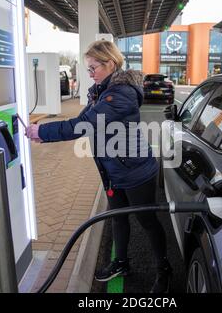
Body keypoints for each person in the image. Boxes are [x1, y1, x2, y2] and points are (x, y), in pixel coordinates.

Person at [25, 40, 172, 293]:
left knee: (147, 222)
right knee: (118, 219)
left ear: (111, 64)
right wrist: (44, 134)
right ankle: (121, 263)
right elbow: (81, 119)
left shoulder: (120, 95)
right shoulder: (100, 91)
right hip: (113, 170)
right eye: (88, 69)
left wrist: (44, 130)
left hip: (137, 172)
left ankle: (164, 271)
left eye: (93, 68)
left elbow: (83, 126)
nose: (90, 73)